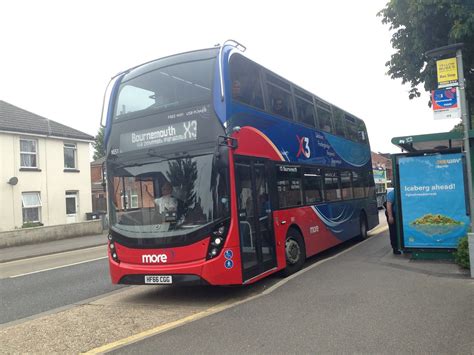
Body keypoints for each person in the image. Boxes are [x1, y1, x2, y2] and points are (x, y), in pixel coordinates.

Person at [386, 188, 401, 254]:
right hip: (392, 214)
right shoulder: (393, 193)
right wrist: (390, 216)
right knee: (393, 231)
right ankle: (395, 248)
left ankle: (399, 246)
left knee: (398, 231)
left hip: (397, 214)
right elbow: (389, 204)